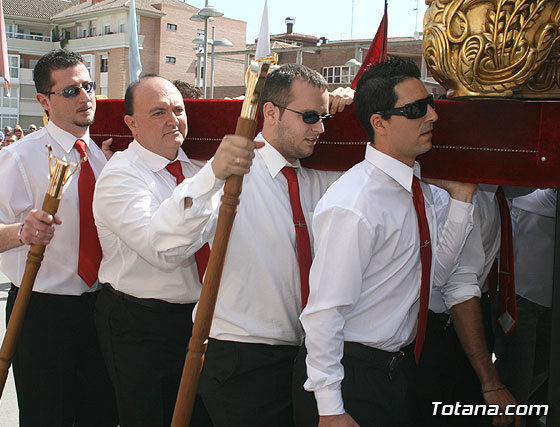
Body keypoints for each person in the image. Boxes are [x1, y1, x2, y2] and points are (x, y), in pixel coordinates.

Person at [298, 57, 516, 427]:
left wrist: (462, 200)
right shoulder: (354, 204)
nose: (432, 116)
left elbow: (431, 280)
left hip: (399, 369)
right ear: (379, 123)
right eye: (415, 109)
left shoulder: (424, 193)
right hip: (353, 375)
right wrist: (331, 409)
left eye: (430, 102)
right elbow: (324, 313)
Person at [146, 64, 347, 426]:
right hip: (242, 361)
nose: (320, 128)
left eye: (324, 116)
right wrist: (212, 175)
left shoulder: (323, 175)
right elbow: (165, 241)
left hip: (308, 358)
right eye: (310, 117)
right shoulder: (230, 175)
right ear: (270, 113)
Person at [0, 49, 118, 426]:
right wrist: (23, 232)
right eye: (70, 91)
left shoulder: (103, 159)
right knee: (47, 416)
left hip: (99, 309)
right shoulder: (19, 157)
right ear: (44, 101)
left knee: (100, 413)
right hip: (41, 311)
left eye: (88, 86)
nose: (85, 97)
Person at [92, 75, 250, 426]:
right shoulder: (120, 176)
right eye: (158, 112)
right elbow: (162, 251)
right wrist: (212, 176)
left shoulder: (196, 168)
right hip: (140, 325)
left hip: (201, 321)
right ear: (131, 124)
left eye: (178, 110)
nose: (172, 120)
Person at [495, 189, 555, 427]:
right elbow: (515, 193)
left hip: (548, 296)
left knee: (542, 378)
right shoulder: (522, 182)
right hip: (519, 295)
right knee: (515, 381)